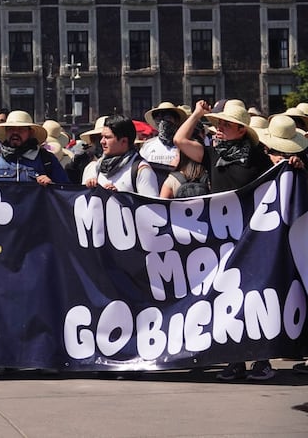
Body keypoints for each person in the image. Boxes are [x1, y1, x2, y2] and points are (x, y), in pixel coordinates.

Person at [174, 100, 275, 381]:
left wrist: (293, 166)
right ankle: (235, 360)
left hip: (252, 237)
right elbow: (180, 140)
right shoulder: (212, 154)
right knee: (227, 298)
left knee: (253, 297)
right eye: (218, 123)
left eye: (226, 124)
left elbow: (278, 183)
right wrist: (197, 114)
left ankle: (262, 360)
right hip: (221, 239)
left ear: (241, 130)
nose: (219, 127)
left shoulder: (258, 158)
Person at [0, 110, 68, 185]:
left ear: (30, 132)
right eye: (11, 129)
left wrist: (52, 185)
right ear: (6, 132)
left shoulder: (47, 159)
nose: (15, 132)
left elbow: (65, 192)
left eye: (21, 129)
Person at [81, 115, 158, 196]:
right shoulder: (98, 167)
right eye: (101, 137)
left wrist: (119, 197)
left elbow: (151, 203)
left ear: (124, 141)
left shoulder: (141, 170)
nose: (102, 141)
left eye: (107, 137)